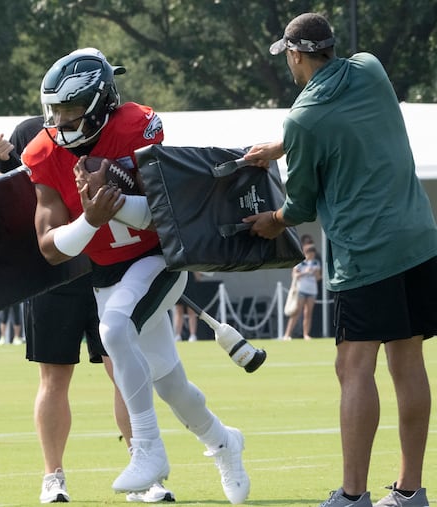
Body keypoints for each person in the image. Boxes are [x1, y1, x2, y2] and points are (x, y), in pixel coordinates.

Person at [22, 48, 249, 504]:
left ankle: (147, 449)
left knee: (114, 329)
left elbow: (169, 213)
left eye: (69, 110)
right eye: (55, 111)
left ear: (100, 103)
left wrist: (117, 203)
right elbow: (49, 247)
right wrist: (89, 219)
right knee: (169, 382)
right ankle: (224, 441)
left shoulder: (135, 128)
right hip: (109, 275)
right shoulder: (45, 152)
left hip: (160, 261)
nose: (60, 121)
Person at [243, 12, 436, 507]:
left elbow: (301, 206)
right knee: (408, 359)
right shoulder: (371, 68)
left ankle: (352, 496)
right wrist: (284, 144)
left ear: (296, 55)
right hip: (418, 239)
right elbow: (345, 123)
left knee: (353, 366)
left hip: (366, 254)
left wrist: (273, 221)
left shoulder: (303, 117)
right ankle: (411, 492)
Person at [0, 113, 175, 503]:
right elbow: (7, 195)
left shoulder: (115, 132)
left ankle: (142, 466)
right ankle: (52, 475)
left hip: (107, 268)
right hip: (56, 275)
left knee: (121, 369)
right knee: (54, 378)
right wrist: (5, 161)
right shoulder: (29, 134)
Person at [282, 243, 321, 340]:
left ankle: (306, 334)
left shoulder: (316, 263)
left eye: (312, 253)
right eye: (309, 253)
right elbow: (295, 276)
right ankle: (287, 334)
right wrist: (306, 272)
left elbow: (318, 277)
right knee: (296, 312)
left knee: (308, 313)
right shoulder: (299, 263)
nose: (311, 255)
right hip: (301, 290)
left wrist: (315, 274)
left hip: (312, 290)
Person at [173, 272, 203, 342]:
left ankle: (192, 335)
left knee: (191, 311)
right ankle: (177, 335)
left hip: (190, 284)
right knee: (179, 311)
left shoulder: (192, 262)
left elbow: (198, 277)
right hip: (180, 284)